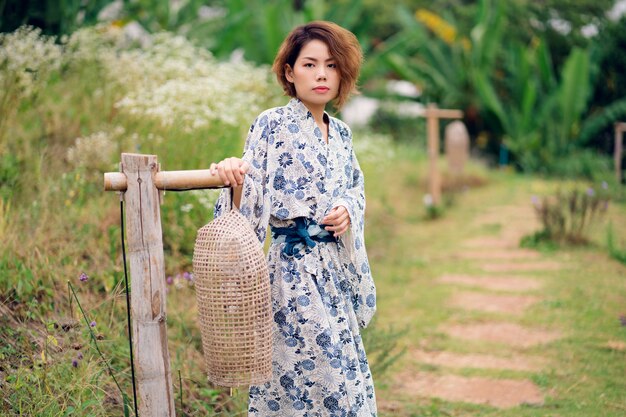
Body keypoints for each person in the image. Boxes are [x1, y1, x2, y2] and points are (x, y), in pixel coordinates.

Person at [210, 20, 377, 416]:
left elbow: (355, 188)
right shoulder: (273, 123)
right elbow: (251, 192)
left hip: (334, 270)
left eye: (332, 65)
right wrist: (235, 173)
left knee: (346, 376)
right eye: (310, 64)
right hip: (293, 274)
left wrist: (347, 211)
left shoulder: (342, 135)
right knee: (317, 377)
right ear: (289, 72)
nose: (321, 74)